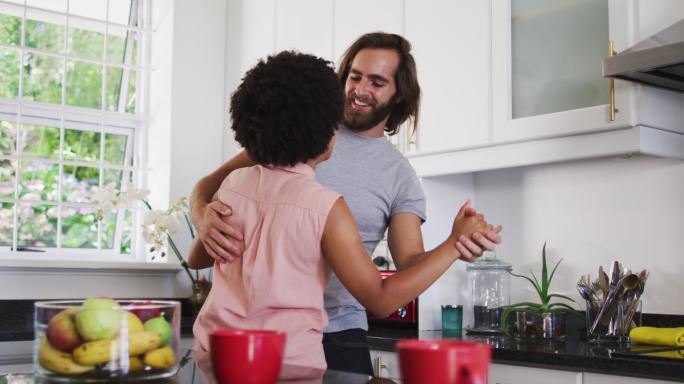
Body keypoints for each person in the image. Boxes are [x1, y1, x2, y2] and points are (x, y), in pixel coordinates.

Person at [190, 33, 502, 374]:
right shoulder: (293, 131)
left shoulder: (399, 175)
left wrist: (455, 243)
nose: (359, 89)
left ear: (399, 95)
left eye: (377, 82)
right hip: (270, 341)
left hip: (333, 331)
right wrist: (202, 214)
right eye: (355, 76)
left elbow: (409, 261)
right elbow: (208, 188)